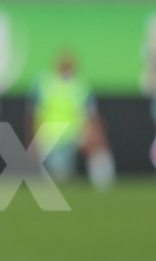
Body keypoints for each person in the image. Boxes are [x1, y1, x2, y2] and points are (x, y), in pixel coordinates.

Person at [26, 50, 114, 190]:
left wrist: (95, 135)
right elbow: (32, 114)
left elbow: (91, 115)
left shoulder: (80, 85)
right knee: (60, 175)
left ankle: (105, 187)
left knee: (96, 146)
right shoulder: (42, 83)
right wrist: (32, 141)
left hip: (74, 133)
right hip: (49, 137)